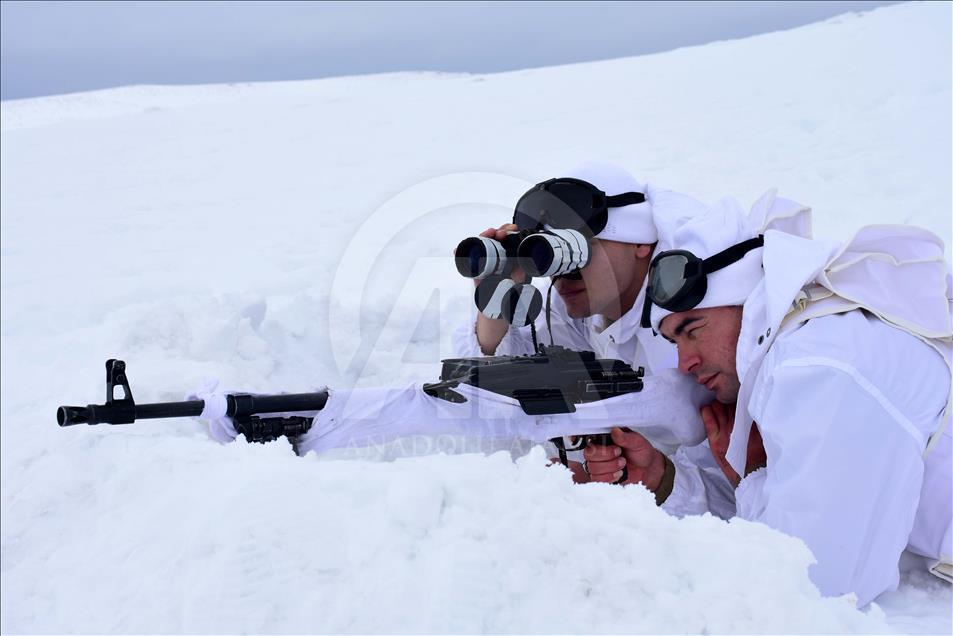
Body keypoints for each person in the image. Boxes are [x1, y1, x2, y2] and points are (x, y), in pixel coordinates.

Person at [584, 191, 953, 605]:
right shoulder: (775, 363)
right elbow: (772, 504)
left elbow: (813, 582)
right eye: (673, 342)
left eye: (693, 330)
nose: (684, 362)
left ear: (744, 299)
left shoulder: (821, 365)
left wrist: (754, 473)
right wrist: (662, 479)